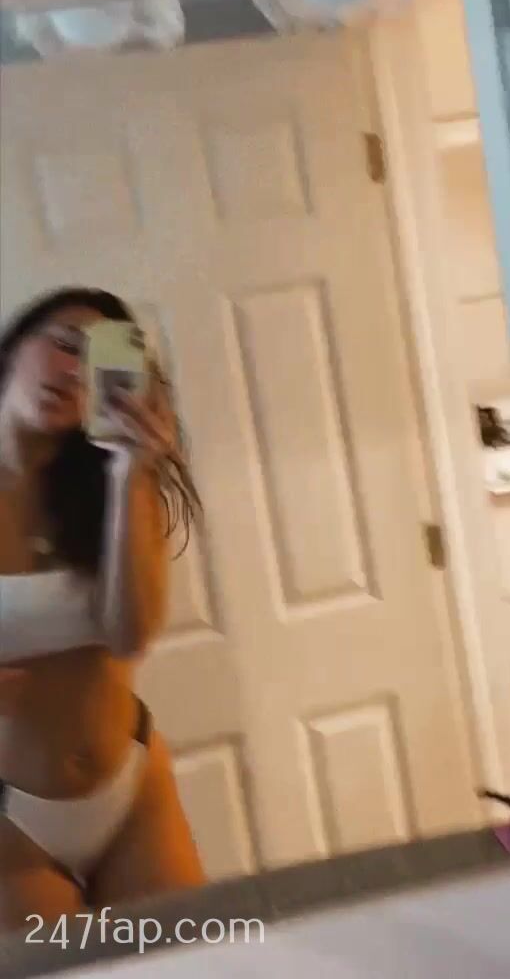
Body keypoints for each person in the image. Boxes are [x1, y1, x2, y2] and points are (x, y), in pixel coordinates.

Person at [0, 287, 205, 934]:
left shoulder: (100, 489)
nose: (73, 372)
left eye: (96, 363)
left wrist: (129, 474)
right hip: (11, 824)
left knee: (195, 964)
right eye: (64, 345)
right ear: (14, 346)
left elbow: (129, 634)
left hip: (133, 788)